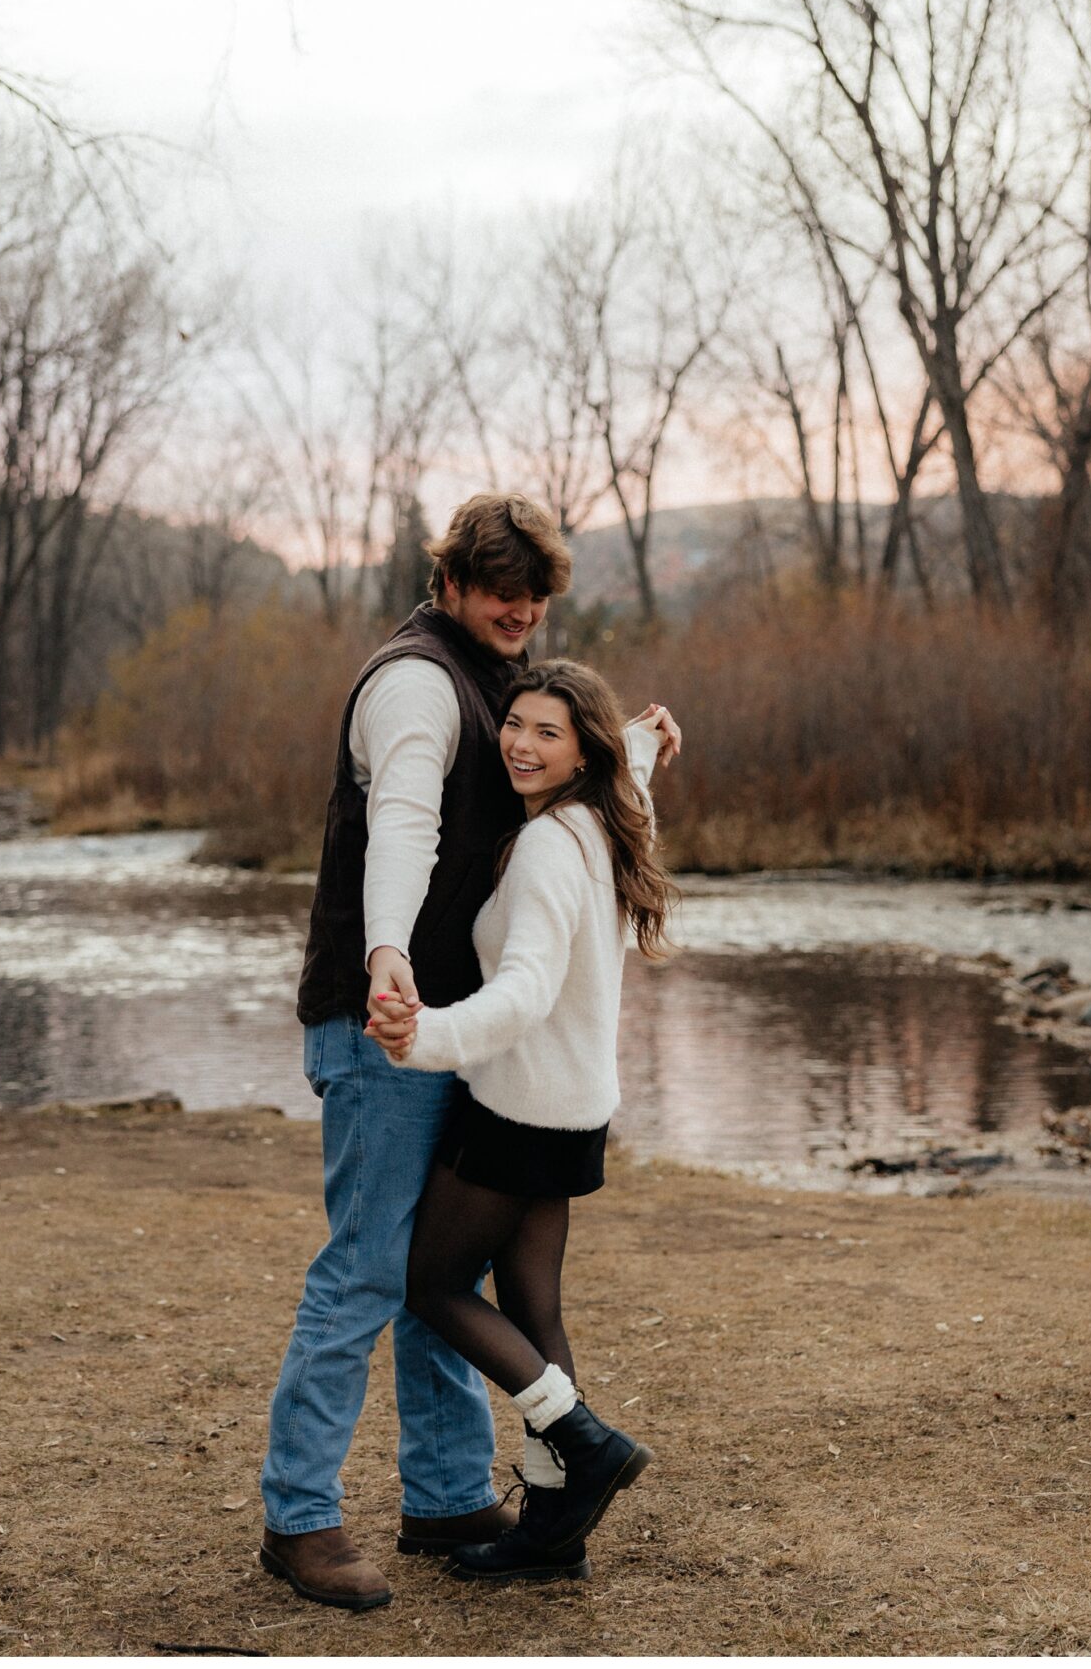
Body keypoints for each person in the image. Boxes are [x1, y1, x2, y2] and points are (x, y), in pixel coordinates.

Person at [258, 494, 682, 1612]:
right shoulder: (411, 682)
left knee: (438, 1271)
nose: (520, 609)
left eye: (535, 594)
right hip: (384, 1019)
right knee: (364, 1271)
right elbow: (405, 823)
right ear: (449, 581)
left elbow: (553, 778)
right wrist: (389, 952)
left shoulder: (503, 677)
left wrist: (632, 751)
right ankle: (299, 1518)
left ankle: (447, 1497)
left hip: (455, 1030)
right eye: (500, 590)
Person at [365, 659, 678, 1586]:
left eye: (549, 731)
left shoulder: (547, 846)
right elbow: (626, 777)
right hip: (577, 1111)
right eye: (516, 724)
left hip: (516, 1109)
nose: (520, 744)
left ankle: (584, 1440)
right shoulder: (606, 824)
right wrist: (643, 748)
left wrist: (425, 1036)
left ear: (579, 748)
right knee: (534, 1306)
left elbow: (527, 990)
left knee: (431, 1284)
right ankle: (553, 1530)